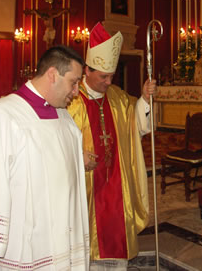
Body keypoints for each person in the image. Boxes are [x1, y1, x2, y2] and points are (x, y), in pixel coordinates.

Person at [0, 46, 91, 270]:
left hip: (65, 250)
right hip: (27, 254)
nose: (76, 91)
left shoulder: (64, 117)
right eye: (73, 82)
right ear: (52, 74)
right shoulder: (2, 115)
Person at [68, 22, 156, 270]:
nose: (108, 82)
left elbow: (136, 124)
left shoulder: (117, 97)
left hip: (116, 179)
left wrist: (145, 100)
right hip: (87, 181)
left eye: (111, 76)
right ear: (87, 70)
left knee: (116, 227)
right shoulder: (71, 101)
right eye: (102, 76)